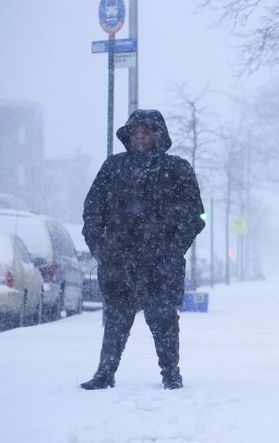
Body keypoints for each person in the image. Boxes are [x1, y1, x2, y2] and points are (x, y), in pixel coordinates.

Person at [80, 109, 205, 390]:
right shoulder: (113, 167)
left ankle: (171, 374)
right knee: (116, 319)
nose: (140, 137)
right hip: (119, 259)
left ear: (158, 136)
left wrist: (174, 249)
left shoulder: (177, 169)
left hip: (161, 261)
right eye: (135, 132)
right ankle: (105, 372)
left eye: (146, 132)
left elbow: (195, 216)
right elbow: (92, 209)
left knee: (164, 320)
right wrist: (97, 245)